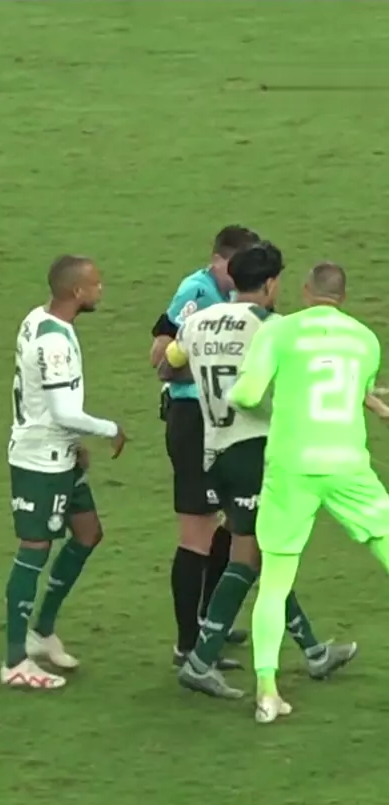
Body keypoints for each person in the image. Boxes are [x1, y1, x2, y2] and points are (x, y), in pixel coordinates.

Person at [163, 244, 357, 700]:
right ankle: (200, 662)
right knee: (248, 558)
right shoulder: (274, 327)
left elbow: (167, 368)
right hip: (256, 452)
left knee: (267, 554)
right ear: (270, 284)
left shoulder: (197, 322)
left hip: (215, 450)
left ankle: (314, 651)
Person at [227, 261, 389, 722]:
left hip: (291, 467)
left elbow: (247, 393)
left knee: (275, 583)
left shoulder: (279, 331)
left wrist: (263, 400)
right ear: (343, 296)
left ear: (304, 291)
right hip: (347, 466)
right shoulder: (365, 339)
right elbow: (356, 389)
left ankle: (266, 691)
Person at [2, 255, 126, 690]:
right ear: (77, 292)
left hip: (62, 454)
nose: (100, 289)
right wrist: (109, 429)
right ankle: (15, 661)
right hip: (40, 460)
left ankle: (41, 631)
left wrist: (75, 445)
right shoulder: (54, 343)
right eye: (95, 284)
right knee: (33, 549)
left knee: (88, 533)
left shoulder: (38, 319)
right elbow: (62, 411)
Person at [150, 226, 259, 668]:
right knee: (197, 532)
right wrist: (216, 366)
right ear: (217, 260)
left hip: (225, 423)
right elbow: (160, 357)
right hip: (193, 418)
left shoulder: (241, 297)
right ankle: (187, 646)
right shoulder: (196, 293)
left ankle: (210, 622)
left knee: (232, 522)